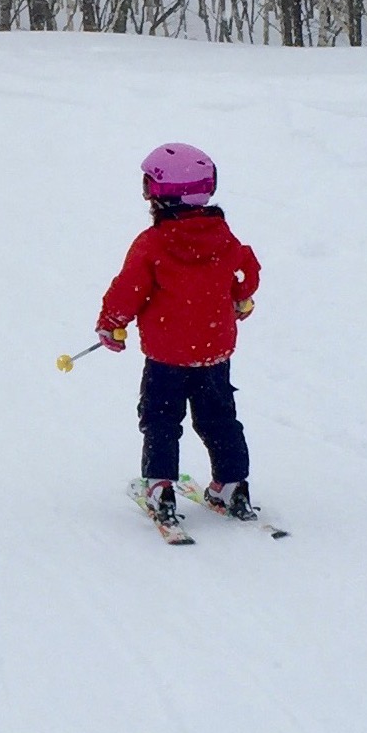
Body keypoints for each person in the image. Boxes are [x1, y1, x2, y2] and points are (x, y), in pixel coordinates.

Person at [95, 143, 260, 524]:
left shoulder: (152, 243)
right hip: (214, 352)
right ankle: (232, 485)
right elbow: (245, 271)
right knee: (219, 418)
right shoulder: (223, 236)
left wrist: (112, 323)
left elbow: (128, 289)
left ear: (159, 194)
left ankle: (160, 488)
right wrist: (242, 297)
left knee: (161, 419)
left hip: (167, 355)